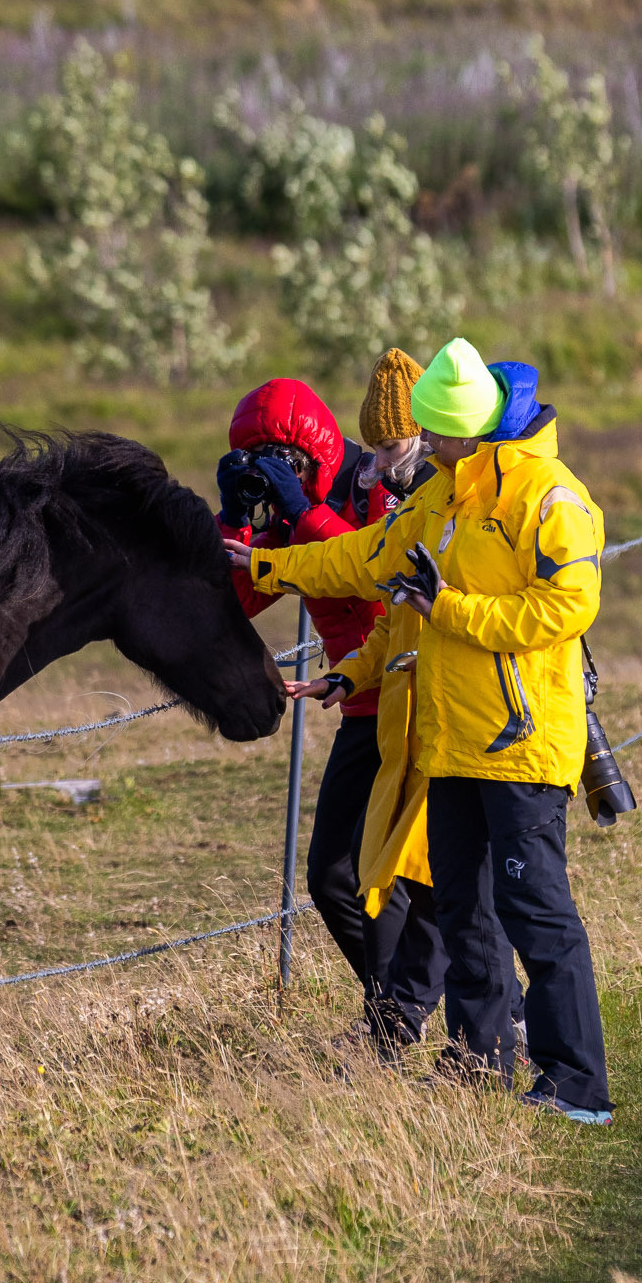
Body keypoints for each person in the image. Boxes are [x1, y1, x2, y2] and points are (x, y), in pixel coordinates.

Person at [227, 338, 612, 1125]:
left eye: (433, 434)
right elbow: (364, 561)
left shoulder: (551, 497)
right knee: (465, 910)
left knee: (536, 913)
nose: (421, 446)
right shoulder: (439, 497)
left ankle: (577, 1086)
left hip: (523, 742)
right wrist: (263, 566)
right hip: (449, 739)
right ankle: (480, 1060)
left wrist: (453, 612)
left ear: (471, 431)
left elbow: (567, 610)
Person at [214, 374, 396, 1018]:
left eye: (284, 461)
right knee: (334, 878)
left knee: (408, 877)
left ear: (315, 452)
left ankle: (403, 1018)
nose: (280, 475)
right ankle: (397, 1010)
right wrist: (233, 519)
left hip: (413, 696)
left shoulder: (375, 485)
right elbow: (232, 603)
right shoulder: (293, 517)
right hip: (359, 705)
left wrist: (305, 513)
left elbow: (377, 581)